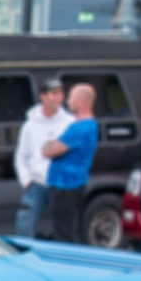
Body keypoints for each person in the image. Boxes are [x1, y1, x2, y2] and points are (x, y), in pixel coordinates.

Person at [12, 76, 74, 237]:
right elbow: (21, 155)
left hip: (61, 183)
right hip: (37, 182)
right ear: (43, 96)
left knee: (64, 224)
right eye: (53, 93)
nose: (57, 98)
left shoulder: (69, 123)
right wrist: (26, 180)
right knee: (25, 222)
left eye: (60, 93)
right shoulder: (30, 126)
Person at [43, 83, 99, 243]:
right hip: (73, 184)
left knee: (64, 232)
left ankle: (65, 262)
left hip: (66, 186)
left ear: (81, 101)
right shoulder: (90, 126)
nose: (67, 102)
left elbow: (49, 151)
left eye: (71, 98)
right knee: (69, 227)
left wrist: (49, 144)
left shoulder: (79, 129)